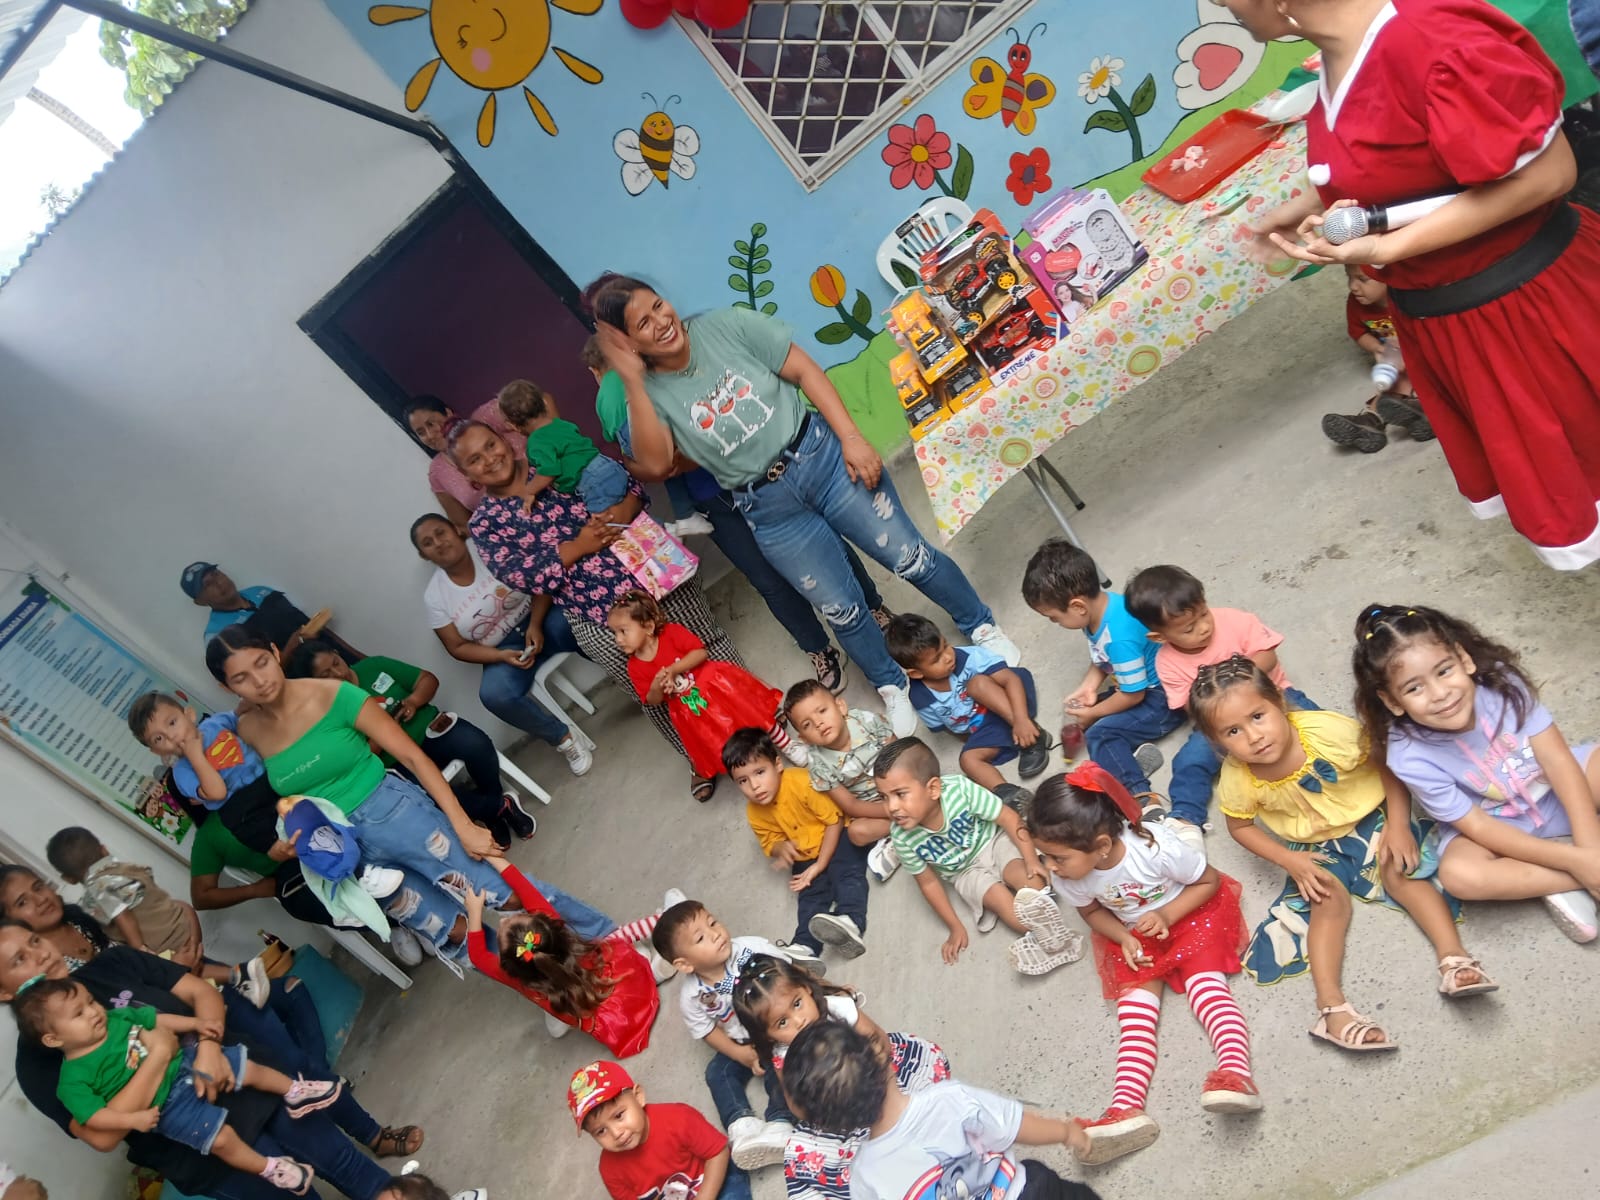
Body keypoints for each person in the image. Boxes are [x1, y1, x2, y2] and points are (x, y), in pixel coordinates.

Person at [1233, 0, 1600, 570]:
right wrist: (1312, 203)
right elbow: (1409, 155)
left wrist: (1387, 248)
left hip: (1533, 314)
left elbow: (1548, 173)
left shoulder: (1431, 43)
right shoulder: (1338, 48)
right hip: (1462, 323)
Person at [586, 274, 1021, 735]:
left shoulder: (724, 326)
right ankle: (892, 684)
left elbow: (804, 371)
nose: (661, 322)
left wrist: (852, 438)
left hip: (823, 459)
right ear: (627, 342)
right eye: (643, 323)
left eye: (658, 305)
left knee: (910, 557)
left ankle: (980, 625)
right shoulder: (646, 395)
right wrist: (632, 380)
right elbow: (657, 464)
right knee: (841, 609)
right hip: (767, 507)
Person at [206, 627, 614, 970]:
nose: (259, 680)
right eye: (241, 678)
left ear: (275, 652)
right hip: (351, 853)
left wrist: (464, 825)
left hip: (396, 815)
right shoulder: (249, 731)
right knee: (451, 931)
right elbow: (265, 794)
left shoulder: (334, 694)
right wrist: (286, 839)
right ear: (227, 688)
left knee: (503, 892)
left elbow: (412, 757)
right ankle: (548, 981)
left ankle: (609, 941)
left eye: (261, 662)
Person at [1191, 655, 1496, 1051]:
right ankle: (1331, 1010)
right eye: (1233, 731)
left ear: (1279, 702)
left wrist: (1399, 825)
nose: (1253, 736)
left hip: (1372, 815)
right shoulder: (1238, 777)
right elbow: (1240, 827)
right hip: (1312, 845)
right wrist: (1290, 860)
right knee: (1325, 899)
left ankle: (1454, 958)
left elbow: (1387, 764)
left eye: (1258, 716)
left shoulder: (1328, 732)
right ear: (1217, 740)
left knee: (1401, 871)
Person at [0, 922, 413, 1200]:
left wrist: (211, 1050)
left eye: (34, 941)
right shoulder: (37, 1066)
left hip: (246, 1081)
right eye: (19, 960)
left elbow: (202, 994)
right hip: (203, 1148)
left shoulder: (112, 965)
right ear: (3, 992)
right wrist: (160, 1055)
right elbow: (102, 1136)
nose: (40, 955)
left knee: (344, 1162)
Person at [450, 420, 747, 801]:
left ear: (505, 440)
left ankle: (755, 719)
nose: (490, 459)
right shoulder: (487, 525)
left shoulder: (554, 459)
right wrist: (581, 545)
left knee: (707, 645)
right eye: (475, 460)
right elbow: (525, 575)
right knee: (650, 688)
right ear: (468, 477)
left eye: (491, 445)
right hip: (595, 610)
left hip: (651, 566)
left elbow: (629, 485)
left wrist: (616, 515)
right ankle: (699, 756)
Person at [586, 332, 887, 696]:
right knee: (768, 580)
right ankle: (818, 649)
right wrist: (662, 457)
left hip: (760, 478)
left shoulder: (678, 366)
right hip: (714, 500)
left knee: (824, 544)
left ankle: (873, 608)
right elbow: (652, 465)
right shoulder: (629, 401)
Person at [1026, 765, 1256, 1162]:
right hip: (1134, 935)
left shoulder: (1154, 849)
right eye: (1044, 856)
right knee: (1134, 1019)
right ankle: (1125, 1109)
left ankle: (1236, 1074)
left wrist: (1166, 915)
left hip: (1190, 917)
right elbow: (1092, 913)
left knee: (1207, 992)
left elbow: (1209, 882)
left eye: (1057, 858)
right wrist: (1123, 937)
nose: (1050, 867)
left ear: (1102, 845)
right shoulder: (1069, 876)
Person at [1351, 603, 1600, 943]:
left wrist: (1589, 846)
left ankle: (1562, 873)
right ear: (1392, 701)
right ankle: (1568, 880)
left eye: (1444, 671)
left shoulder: (1503, 684)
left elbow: (1558, 761)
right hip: (1496, 823)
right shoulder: (1407, 755)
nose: (1440, 694)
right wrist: (1577, 862)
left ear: (1464, 658)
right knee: (1460, 876)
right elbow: (1479, 826)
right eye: (1414, 688)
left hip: (1553, 789)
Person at [15, 978, 341, 1194]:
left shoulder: (116, 1018)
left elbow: (157, 1020)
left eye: (90, 1002)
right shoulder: (71, 1081)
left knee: (249, 1068)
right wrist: (131, 1120)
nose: (93, 1012)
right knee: (222, 1139)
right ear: (53, 1038)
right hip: (169, 1106)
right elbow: (95, 1117)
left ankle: (294, 1092)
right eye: (79, 1013)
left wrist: (197, 1023)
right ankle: (271, 1168)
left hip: (186, 1060)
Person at [1123, 563, 1321, 853]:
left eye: (1204, 613)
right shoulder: (1167, 663)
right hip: (1219, 724)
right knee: (1189, 761)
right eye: (1189, 628)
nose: (1204, 627)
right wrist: (1222, 708)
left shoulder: (1233, 620)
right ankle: (1185, 818)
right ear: (1159, 637)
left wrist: (1237, 680)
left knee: (1315, 722)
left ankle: (1351, 763)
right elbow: (1191, 707)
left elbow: (1268, 656)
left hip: (1271, 699)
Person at [729, 954, 951, 1200]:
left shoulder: (837, 1008)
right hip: (835, 1114)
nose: (799, 1021)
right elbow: (796, 1104)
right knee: (812, 1160)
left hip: (877, 1080)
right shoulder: (782, 1054)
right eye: (782, 1022)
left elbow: (879, 1043)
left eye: (797, 1004)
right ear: (768, 1036)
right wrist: (827, 1110)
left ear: (806, 989)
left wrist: (865, 1083)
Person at [780, 1021, 1116, 1183]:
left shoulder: (863, 1177)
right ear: (881, 1055)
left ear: (833, 1124)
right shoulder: (948, 1101)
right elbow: (1015, 1126)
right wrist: (1067, 1133)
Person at [285, 640, 538, 845]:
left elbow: (428, 680)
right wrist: (384, 731)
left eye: (336, 663)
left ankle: (492, 811)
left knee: (476, 744)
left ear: (338, 654)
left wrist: (413, 702)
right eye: (327, 675)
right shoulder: (332, 712)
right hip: (397, 761)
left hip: (430, 730)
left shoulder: (374, 666)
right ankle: (498, 808)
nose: (339, 673)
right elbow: (360, 755)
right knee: (425, 797)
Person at [410, 514, 592, 776]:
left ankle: (631, 676)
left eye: (441, 533)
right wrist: (500, 656)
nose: (438, 543)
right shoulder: (435, 596)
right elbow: (456, 646)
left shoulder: (490, 548)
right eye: (428, 543)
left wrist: (535, 624)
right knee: (494, 695)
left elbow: (539, 577)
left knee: (573, 621)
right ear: (424, 555)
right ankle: (564, 739)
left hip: (540, 617)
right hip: (503, 651)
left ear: (457, 530)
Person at [872, 738, 1073, 973]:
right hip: (964, 872)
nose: (891, 807)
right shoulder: (901, 837)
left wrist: (1030, 860)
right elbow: (928, 883)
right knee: (1001, 902)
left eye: (900, 794)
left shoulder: (960, 789)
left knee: (1031, 881)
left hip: (994, 841)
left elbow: (1008, 818)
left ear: (933, 789)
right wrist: (954, 926)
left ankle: (1045, 911)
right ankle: (1046, 938)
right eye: (883, 797)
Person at [1020, 541, 1174, 811]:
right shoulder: (1099, 610)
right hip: (1134, 685)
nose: (1055, 623)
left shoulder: (1119, 637)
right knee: (1083, 715)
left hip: (1161, 699)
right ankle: (1124, 762)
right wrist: (1089, 687)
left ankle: (1142, 799)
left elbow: (1133, 695)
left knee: (1100, 735)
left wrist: (1094, 713)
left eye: (1054, 617)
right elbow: (1103, 657)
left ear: (1077, 606)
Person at [463, 855, 668, 1056]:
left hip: (619, 1030)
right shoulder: (559, 931)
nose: (501, 921)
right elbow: (527, 890)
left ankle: (559, 1020)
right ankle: (653, 965)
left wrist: (474, 913)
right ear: (546, 925)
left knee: (567, 1009)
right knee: (616, 946)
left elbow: (478, 957)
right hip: (633, 993)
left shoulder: (522, 983)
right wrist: (492, 856)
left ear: (510, 967)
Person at [609, 590, 803, 796]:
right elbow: (652, 700)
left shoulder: (671, 633)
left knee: (754, 716)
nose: (618, 640)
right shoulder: (635, 667)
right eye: (614, 633)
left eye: (623, 631)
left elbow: (701, 653)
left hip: (718, 688)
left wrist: (674, 670)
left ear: (648, 626)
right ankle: (754, 770)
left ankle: (787, 745)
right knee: (724, 739)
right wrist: (656, 685)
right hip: (693, 710)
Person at [650, 899, 798, 1170]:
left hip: (773, 1029)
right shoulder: (692, 996)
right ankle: (741, 1125)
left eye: (713, 922)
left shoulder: (751, 950)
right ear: (684, 964)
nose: (716, 933)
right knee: (717, 1072)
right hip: (739, 1039)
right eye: (701, 938)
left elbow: (791, 974)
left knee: (780, 1066)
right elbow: (706, 1030)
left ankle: (780, 1122)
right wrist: (739, 1054)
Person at [724, 729, 868, 961]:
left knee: (845, 874)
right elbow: (770, 841)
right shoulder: (753, 811)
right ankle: (804, 947)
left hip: (836, 835)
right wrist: (781, 848)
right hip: (804, 855)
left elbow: (835, 821)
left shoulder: (802, 781)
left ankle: (850, 920)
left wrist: (820, 865)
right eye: (743, 781)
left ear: (778, 764)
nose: (754, 785)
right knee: (810, 896)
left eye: (760, 772)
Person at [883, 613, 1052, 807]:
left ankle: (1033, 736)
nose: (948, 657)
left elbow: (1011, 680)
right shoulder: (921, 698)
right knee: (967, 760)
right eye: (937, 659)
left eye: (945, 645)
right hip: (987, 725)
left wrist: (1021, 719)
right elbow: (951, 729)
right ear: (916, 673)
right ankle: (1009, 795)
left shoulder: (970, 657)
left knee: (977, 684)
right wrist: (980, 742)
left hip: (1013, 700)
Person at [570, 1058, 750, 1200]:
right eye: (601, 1131)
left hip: (714, 1177)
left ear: (638, 1097)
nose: (616, 1133)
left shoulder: (679, 1118)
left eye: (619, 1116)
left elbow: (718, 1153)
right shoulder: (610, 1170)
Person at [783, 680, 898, 882]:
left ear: (841, 706)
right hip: (871, 807)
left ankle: (907, 820)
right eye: (807, 724)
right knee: (856, 833)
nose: (818, 723)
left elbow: (899, 753)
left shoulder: (865, 721)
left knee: (918, 765)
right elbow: (851, 805)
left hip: (896, 782)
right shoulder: (819, 764)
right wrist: (889, 810)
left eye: (822, 711)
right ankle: (903, 829)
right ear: (804, 739)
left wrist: (899, 795)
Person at [1321, 265, 1433, 452]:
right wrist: (1378, 348)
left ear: (1389, 277)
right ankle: (1373, 419)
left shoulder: (1407, 295)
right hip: (1393, 354)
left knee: (1412, 374)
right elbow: (1358, 333)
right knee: (1390, 381)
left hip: (1423, 351)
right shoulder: (1356, 303)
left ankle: (1424, 409)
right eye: (1349, 277)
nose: (1353, 286)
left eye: (1362, 279)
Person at [496, 378, 631, 514]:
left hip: (594, 481)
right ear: (544, 403)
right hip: (610, 466)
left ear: (513, 426)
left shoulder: (537, 442)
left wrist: (529, 490)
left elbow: (548, 472)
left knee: (604, 522)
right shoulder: (561, 424)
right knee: (625, 511)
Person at [179, 563, 357, 662]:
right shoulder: (218, 635)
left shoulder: (261, 591)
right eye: (208, 585)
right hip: (311, 688)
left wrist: (357, 655)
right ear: (200, 602)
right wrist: (294, 645)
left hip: (340, 660)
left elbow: (315, 628)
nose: (219, 583)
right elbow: (255, 681)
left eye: (217, 574)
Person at [405, 394, 525, 534]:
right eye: (421, 433)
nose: (430, 435)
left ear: (448, 413)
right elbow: (464, 525)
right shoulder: (438, 473)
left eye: (431, 424)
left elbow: (541, 405)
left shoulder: (486, 417)